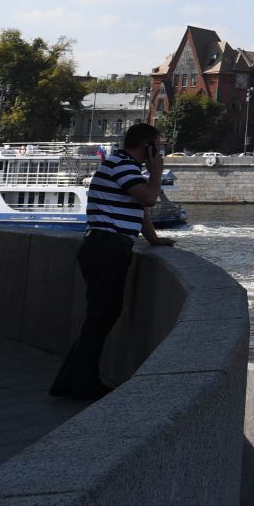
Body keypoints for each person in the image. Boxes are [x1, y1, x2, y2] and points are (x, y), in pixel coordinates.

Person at [49, 122, 174, 400]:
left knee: (100, 316)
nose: (160, 152)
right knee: (101, 316)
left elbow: (138, 207)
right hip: (107, 246)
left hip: (107, 246)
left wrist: (152, 238)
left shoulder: (123, 165)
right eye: (158, 146)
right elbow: (149, 199)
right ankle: (83, 383)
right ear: (147, 147)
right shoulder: (123, 165)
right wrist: (156, 173)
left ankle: (69, 379)